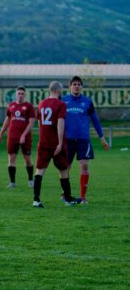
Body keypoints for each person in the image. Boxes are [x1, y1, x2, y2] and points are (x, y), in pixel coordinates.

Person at [62, 76, 110, 204]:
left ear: (82, 87)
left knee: (84, 165)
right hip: (67, 140)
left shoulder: (87, 102)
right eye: (74, 84)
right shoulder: (63, 100)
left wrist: (102, 138)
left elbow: (95, 120)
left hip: (83, 140)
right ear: (70, 86)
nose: (76, 86)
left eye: (79, 84)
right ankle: (66, 194)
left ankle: (83, 197)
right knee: (66, 167)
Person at [33, 81, 79, 207]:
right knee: (63, 170)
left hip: (43, 142)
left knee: (39, 170)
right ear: (59, 91)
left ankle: (36, 200)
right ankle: (68, 199)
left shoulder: (41, 103)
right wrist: (59, 142)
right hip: (55, 143)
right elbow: (60, 123)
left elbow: (39, 123)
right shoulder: (61, 104)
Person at [0, 87, 36, 188]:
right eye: (19, 93)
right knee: (11, 158)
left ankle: (31, 180)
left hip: (25, 138)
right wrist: (1, 133)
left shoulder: (29, 106)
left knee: (27, 159)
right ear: (16, 95)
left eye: (22, 94)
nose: (20, 95)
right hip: (12, 137)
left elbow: (31, 123)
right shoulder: (11, 105)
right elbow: (7, 120)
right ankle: (12, 182)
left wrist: (23, 135)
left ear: (25, 95)